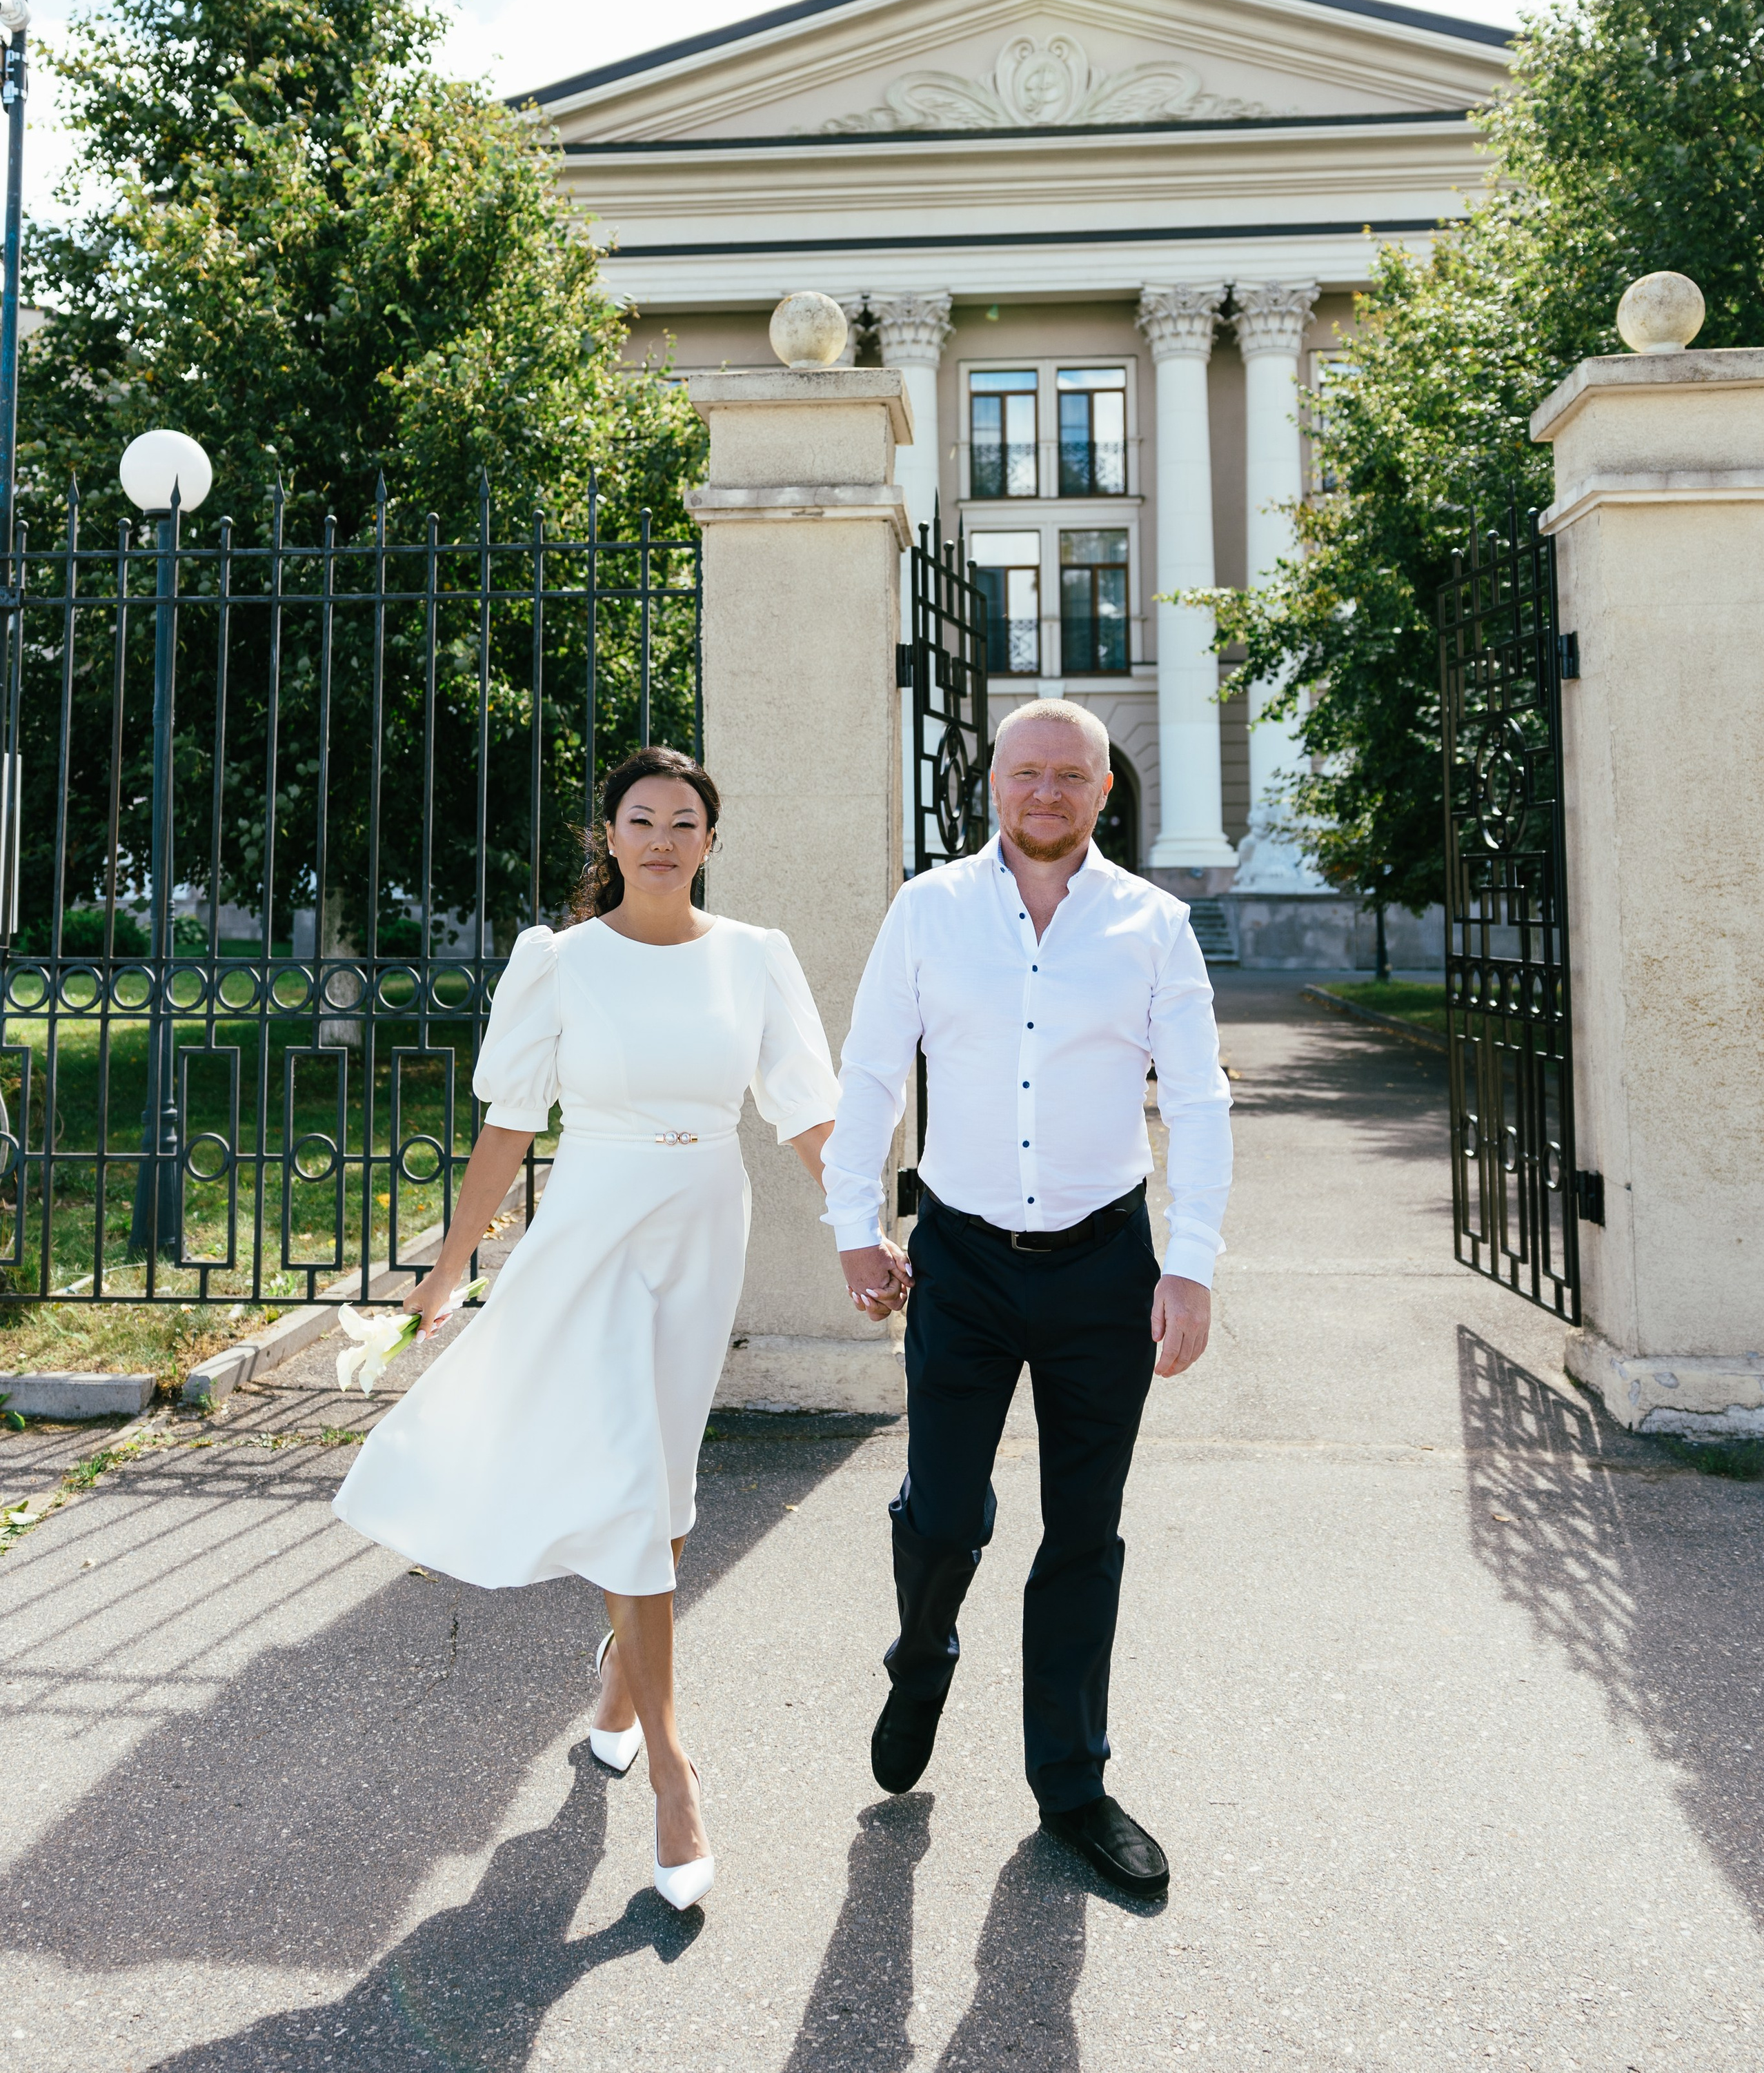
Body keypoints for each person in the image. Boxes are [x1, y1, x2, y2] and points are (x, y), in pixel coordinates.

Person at [333, 744, 840, 1913]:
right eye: (641, 818)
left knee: (657, 1486)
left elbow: (807, 1111)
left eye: (684, 820)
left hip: (706, 1221)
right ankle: (674, 1771)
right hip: (593, 1228)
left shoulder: (757, 960)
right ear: (608, 838)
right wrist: (452, 1267)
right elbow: (510, 1127)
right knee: (626, 1482)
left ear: (711, 840)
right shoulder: (558, 963)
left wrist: (862, 1227)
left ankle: (621, 1682)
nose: (662, 838)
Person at [820, 700, 1233, 1897]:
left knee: (1082, 1535)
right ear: (991, 784)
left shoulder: (1154, 925)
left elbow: (1198, 1099)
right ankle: (922, 1653)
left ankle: (1072, 1786)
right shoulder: (928, 912)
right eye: (1025, 773)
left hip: (1107, 1264)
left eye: (1070, 776)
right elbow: (870, 1071)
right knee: (942, 1516)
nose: (1044, 793)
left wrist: (1190, 1262)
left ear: (1105, 792)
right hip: (962, 1259)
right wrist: (857, 1230)